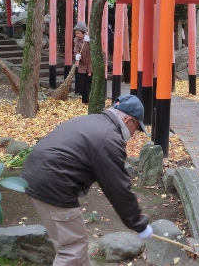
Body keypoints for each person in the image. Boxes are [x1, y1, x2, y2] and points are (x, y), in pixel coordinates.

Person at [20, 94, 153, 266]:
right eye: (137, 128)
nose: (135, 134)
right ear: (128, 120)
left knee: (77, 247)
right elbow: (118, 188)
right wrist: (139, 223)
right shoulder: (109, 138)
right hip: (54, 182)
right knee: (72, 250)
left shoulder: (94, 121)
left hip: (38, 174)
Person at [73, 21, 92, 104]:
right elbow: (76, 49)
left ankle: (91, 100)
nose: (77, 35)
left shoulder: (89, 39)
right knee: (83, 84)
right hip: (82, 65)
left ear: (83, 33)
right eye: (76, 33)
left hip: (90, 65)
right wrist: (77, 55)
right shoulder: (76, 40)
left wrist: (89, 42)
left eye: (78, 33)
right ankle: (85, 101)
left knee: (89, 84)